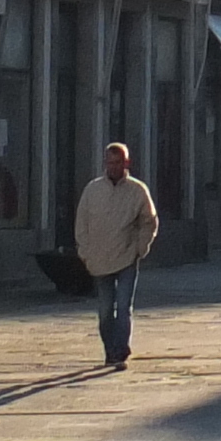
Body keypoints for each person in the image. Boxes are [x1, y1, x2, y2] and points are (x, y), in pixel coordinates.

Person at [72, 141, 159, 370]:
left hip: (127, 258)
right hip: (99, 260)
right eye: (109, 162)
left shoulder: (137, 190)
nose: (113, 167)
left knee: (123, 307)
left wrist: (141, 247)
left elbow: (149, 221)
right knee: (104, 311)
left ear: (126, 163)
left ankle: (119, 352)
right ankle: (110, 349)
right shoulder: (92, 190)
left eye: (117, 162)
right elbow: (82, 223)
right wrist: (85, 252)